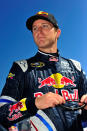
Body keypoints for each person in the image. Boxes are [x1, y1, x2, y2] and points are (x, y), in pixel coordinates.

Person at [0, 11, 87, 131]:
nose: (38, 31)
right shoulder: (21, 67)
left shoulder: (76, 67)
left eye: (44, 26)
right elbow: (2, 114)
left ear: (57, 32)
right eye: (35, 28)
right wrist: (34, 103)